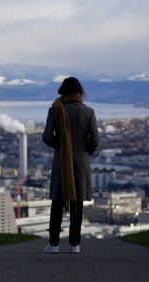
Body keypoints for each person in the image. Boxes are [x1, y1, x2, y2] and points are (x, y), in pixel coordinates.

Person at [42, 77, 100, 254]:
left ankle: (53, 244)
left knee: (57, 202)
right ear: (80, 92)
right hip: (81, 162)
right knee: (77, 203)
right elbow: (95, 140)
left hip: (61, 162)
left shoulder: (55, 110)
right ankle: (75, 244)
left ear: (63, 92)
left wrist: (59, 147)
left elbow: (46, 137)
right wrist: (85, 151)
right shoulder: (88, 112)